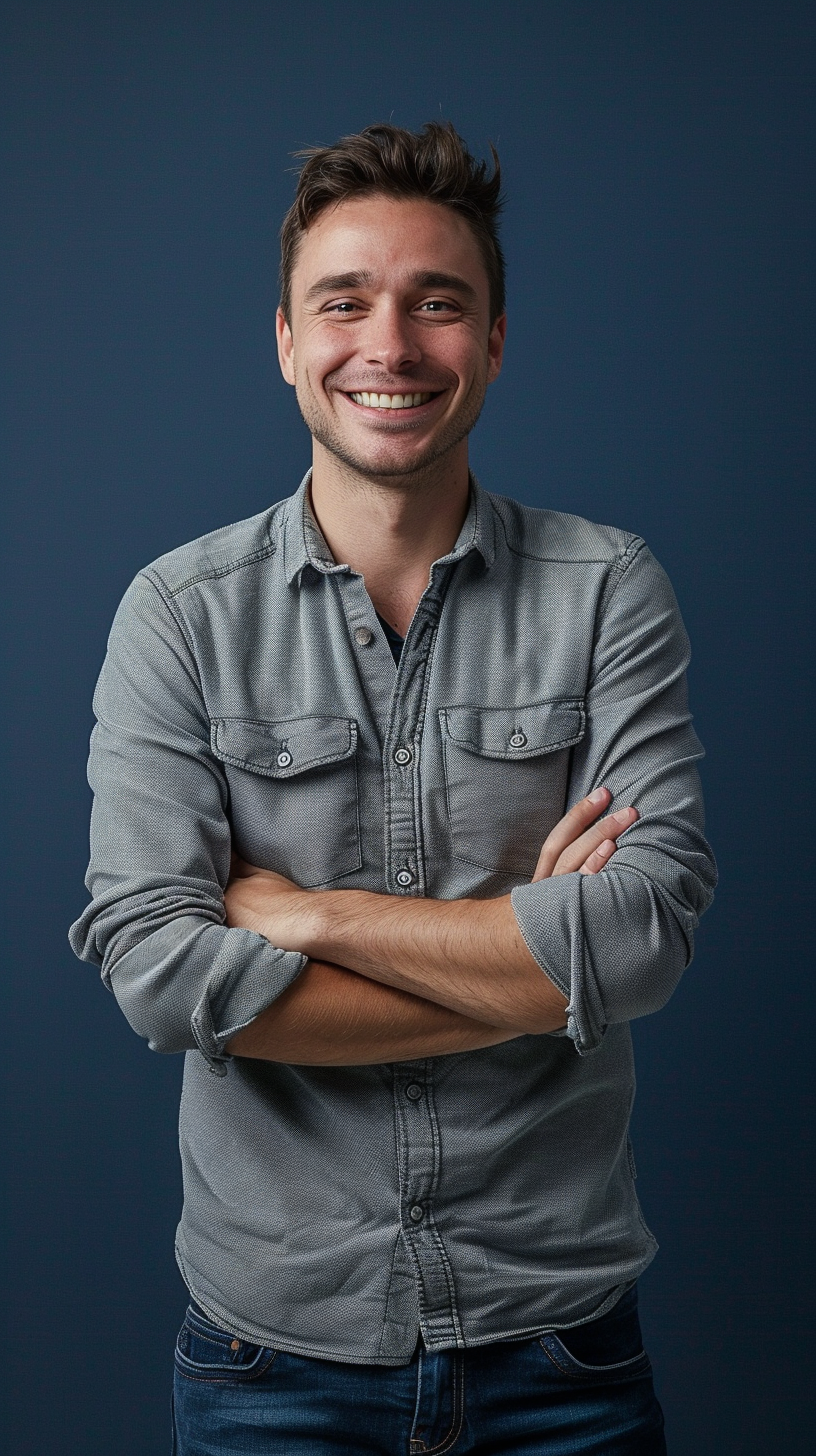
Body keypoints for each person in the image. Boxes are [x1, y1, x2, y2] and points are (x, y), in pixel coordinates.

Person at [70, 121, 716, 1454]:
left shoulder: (608, 593)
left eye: (439, 303)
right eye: (345, 301)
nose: (391, 344)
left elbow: (642, 939)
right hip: (272, 1363)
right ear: (286, 341)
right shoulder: (178, 617)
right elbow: (157, 970)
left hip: (564, 1350)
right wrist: (534, 967)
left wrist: (306, 916)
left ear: (492, 340)